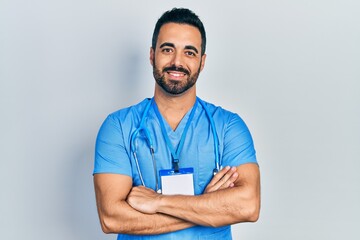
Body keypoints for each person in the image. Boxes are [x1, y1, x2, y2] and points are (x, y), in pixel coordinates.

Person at [93, 8, 260, 239]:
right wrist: (206, 206)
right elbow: (111, 217)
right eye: (167, 49)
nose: (177, 62)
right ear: (152, 55)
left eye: (189, 52)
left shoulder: (228, 126)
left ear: (202, 62)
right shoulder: (119, 127)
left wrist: (158, 202)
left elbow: (248, 206)